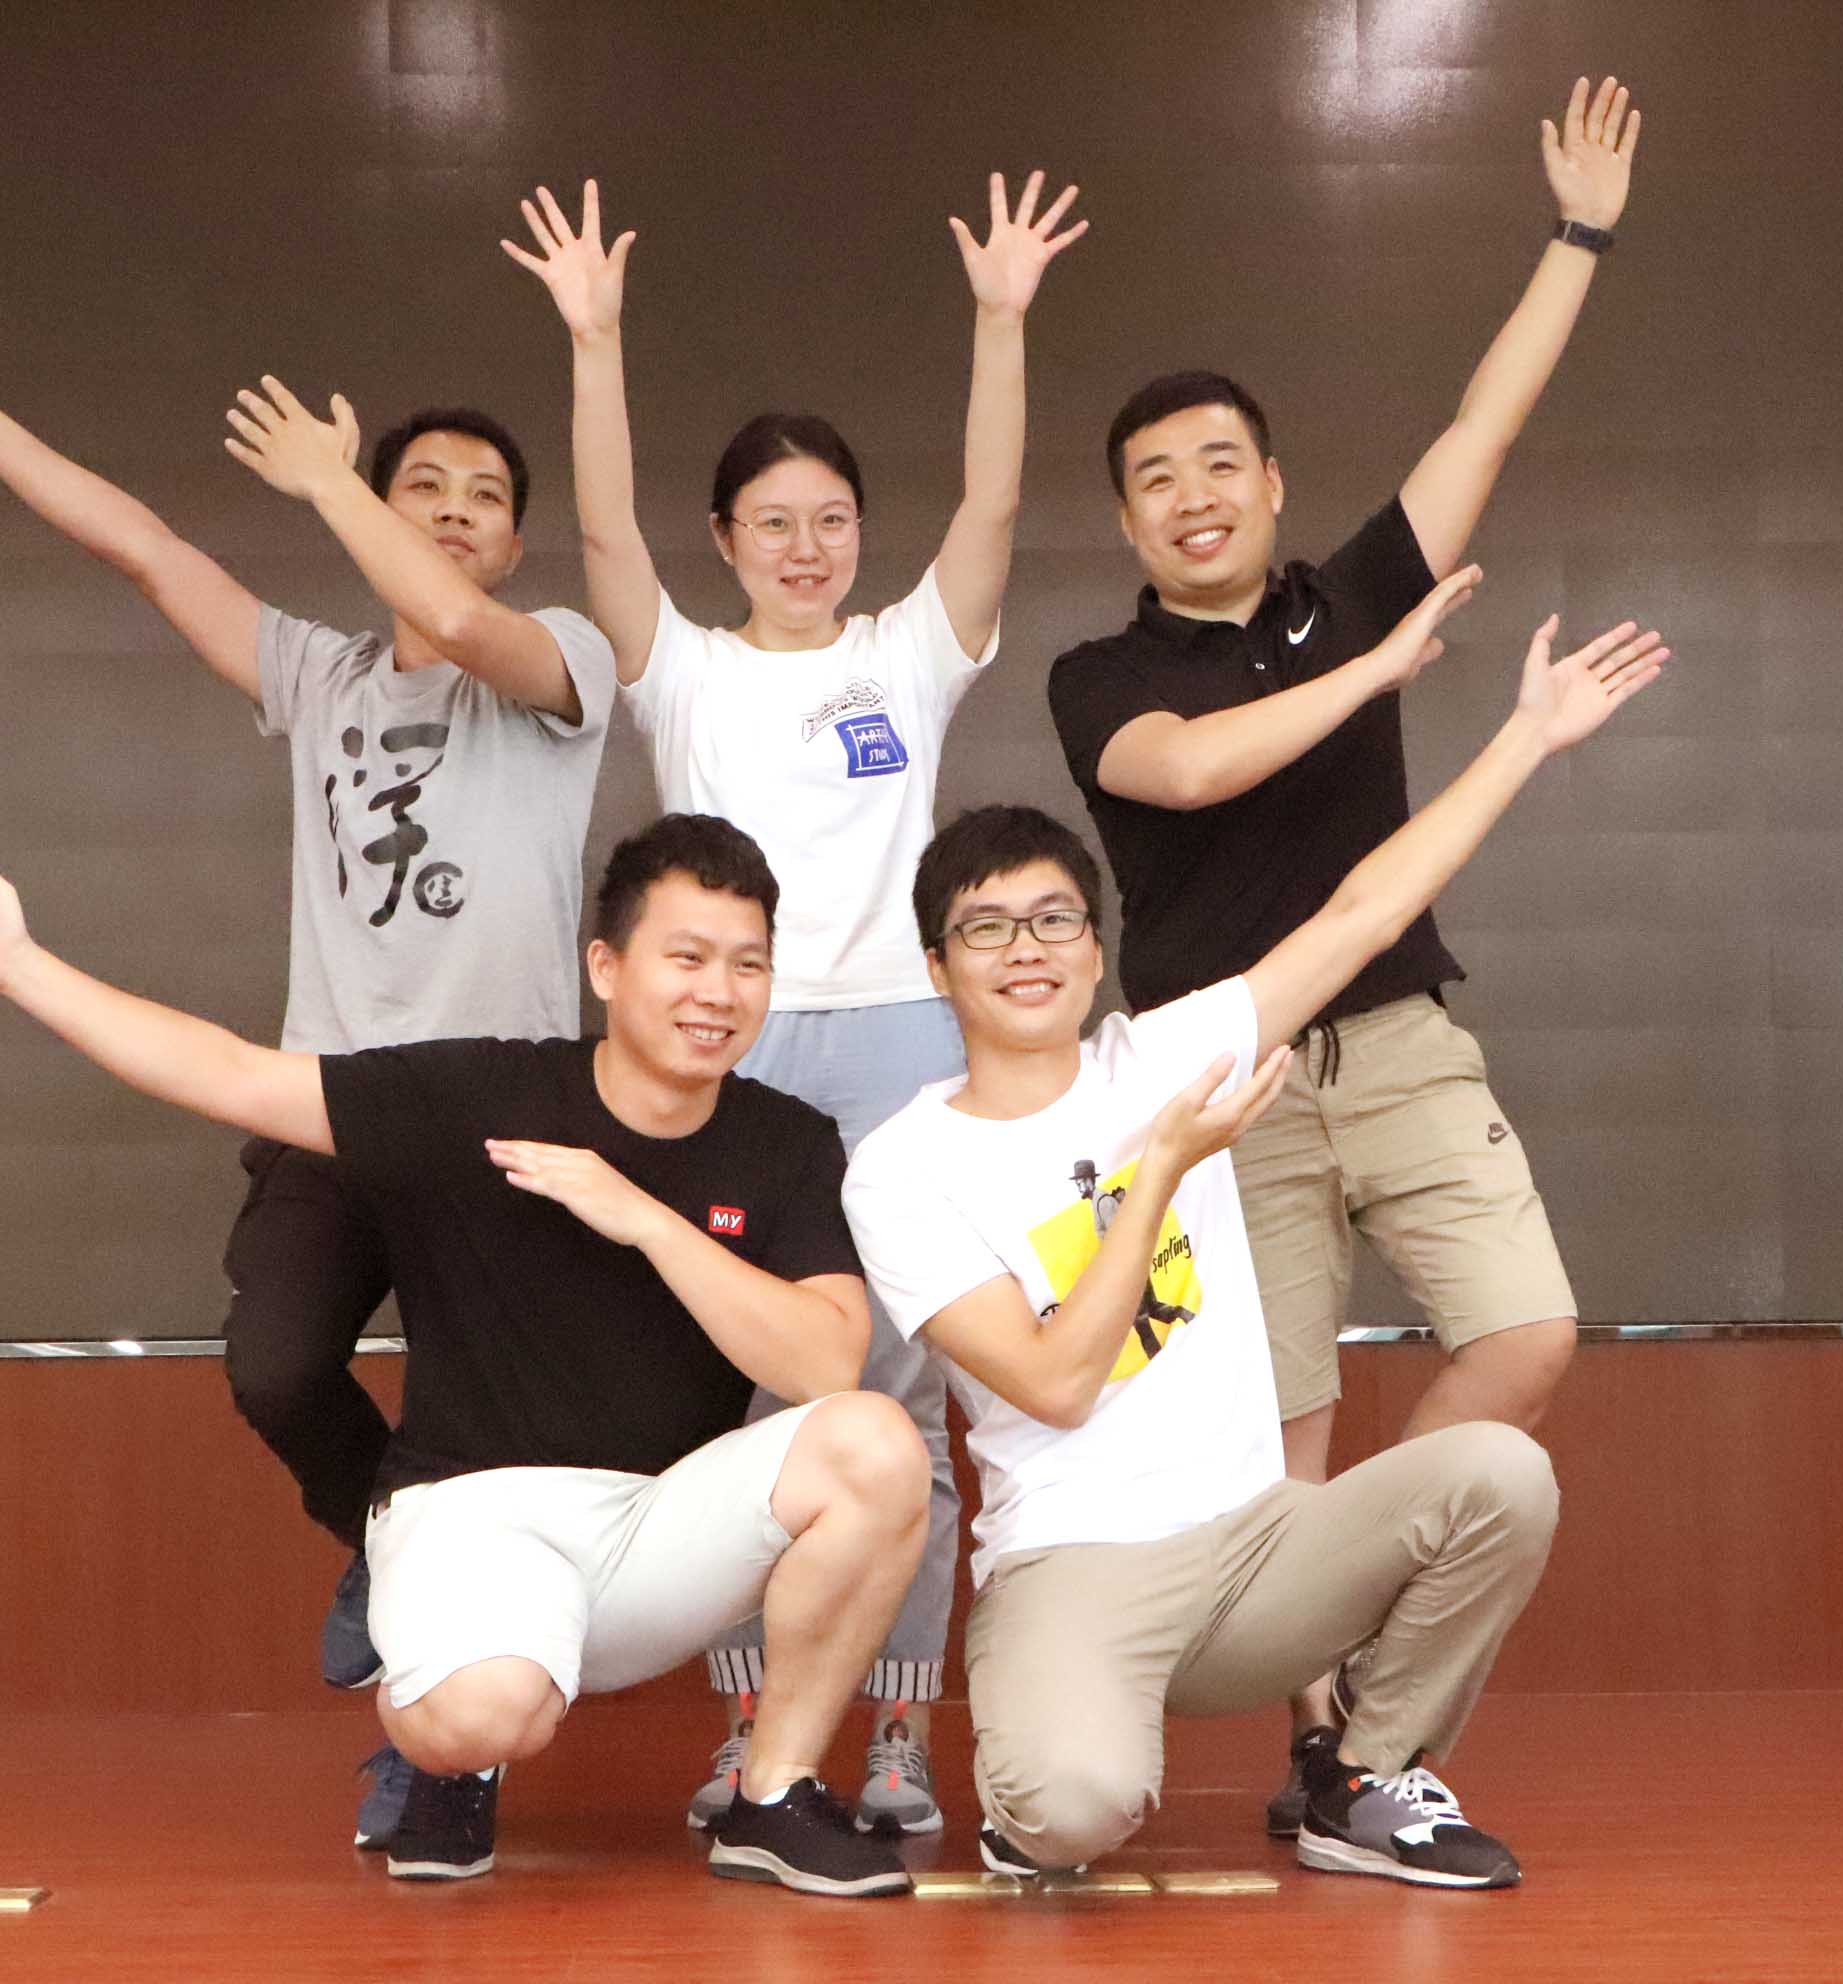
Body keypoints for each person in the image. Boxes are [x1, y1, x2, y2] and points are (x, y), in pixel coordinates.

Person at [0, 814, 928, 1896]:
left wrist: (645, 1218)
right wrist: (19, 966)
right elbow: (229, 1072)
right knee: (487, 1713)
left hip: (662, 1532)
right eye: (686, 957)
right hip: (477, 1514)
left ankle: (773, 1796)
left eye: (747, 965)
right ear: (606, 967)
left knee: (876, 1443)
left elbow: (825, 1364)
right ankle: (446, 1739)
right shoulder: (480, 1096)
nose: (718, 993)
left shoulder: (785, 1141)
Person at [0, 318, 617, 1843]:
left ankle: (445, 1763)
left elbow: (455, 621)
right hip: (322, 1105)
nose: (454, 513)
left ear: (517, 540)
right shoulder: (316, 674)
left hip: (505, 1124)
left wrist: (336, 487)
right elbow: (148, 549)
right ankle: (387, 1540)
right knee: (274, 1366)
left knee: (485, 1443)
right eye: (425, 488)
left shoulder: (560, 664)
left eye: (483, 497)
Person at [1040, 75, 1644, 1828]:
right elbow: (1193, 769)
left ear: (1273, 482)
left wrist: (1579, 233)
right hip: (1215, 1083)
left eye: (1219, 464)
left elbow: (1484, 420)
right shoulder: (1102, 675)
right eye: (1155, 482)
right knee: (1276, 1434)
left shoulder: (1351, 590)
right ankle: (1339, 1761)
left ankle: (1374, 1672)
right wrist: (1379, 676)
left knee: (1529, 1331)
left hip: (1399, 1037)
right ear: (1129, 524)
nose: (1192, 496)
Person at [848, 614, 1666, 1886]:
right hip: (1072, 1560)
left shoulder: (1168, 1052)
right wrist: (1163, 1169)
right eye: (988, 927)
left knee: (1500, 1475)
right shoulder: (903, 1164)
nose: (1028, 950)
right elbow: (1057, 1382)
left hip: (1254, 1554)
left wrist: (1527, 735)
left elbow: (1363, 913)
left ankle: (1360, 1774)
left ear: (1097, 946)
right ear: (937, 965)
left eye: (1056, 919)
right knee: (1071, 1813)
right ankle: (1043, 1778)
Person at [505, 172, 1084, 1836]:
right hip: (732, 1057)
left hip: (901, 1042)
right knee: (757, 1403)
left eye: (831, 517)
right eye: (773, 521)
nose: (807, 545)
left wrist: (1000, 319)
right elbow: (600, 539)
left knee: (899, 1399)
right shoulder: (679, 669)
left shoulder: (907, 655)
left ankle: (896, 1734)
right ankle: (756, 1725)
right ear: (726, 539)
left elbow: (993, 502)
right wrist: (594, 338)